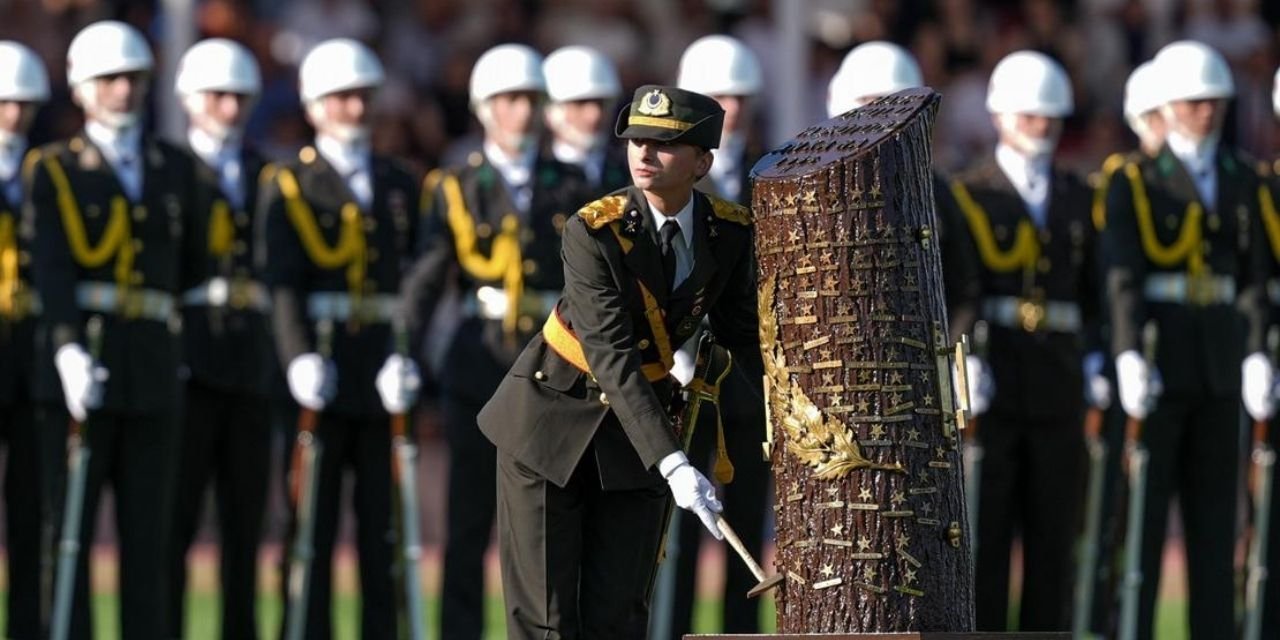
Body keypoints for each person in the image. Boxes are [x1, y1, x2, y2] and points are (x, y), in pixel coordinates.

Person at [478, 84, 762, 639]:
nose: (644, 155)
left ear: (703, 162)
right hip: (551, 424)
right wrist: (673, 462)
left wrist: (796, 410)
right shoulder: (594, 229)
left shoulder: (728, 231)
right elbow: (610, 352)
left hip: (637, 433)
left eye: (664, 144)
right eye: (636, 140)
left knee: (621, 617)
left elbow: (742, 339)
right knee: (547, 621)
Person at [402, 42, 589, 640]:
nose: (522, 111)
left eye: (531, 99)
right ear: (484, 108)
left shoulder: (572, 183)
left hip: (552, 362)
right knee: (467, 522)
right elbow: (429, 276)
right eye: (509, 99)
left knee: (543, 525)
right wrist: (401, 351)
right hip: (478, 359)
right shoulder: (456, 185)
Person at [25, 20, 204, 639]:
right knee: (67, 533)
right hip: (85, 364)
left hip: (152, 365)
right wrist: (68, 349)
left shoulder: (176, 168)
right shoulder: (53, 169)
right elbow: (49, 268)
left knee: (149, 537)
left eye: (130, 79)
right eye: (107, 80)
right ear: (79, 89)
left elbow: (191, 269)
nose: (121, 91)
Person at [1103, 40, 1271, 640]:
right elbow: (1123, 274)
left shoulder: (1241, 177)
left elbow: (1252, 277)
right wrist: (1125, 351)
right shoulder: (1137, 179)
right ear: (1169, 106)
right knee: (1144, 530)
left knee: (1215, 526)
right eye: (1196, 102)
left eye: (1215, 101)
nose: (1208, 112)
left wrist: (1255, 351)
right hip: (1161, 358)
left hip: (1221, 364)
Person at [260, 38, 421, 639]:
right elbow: (279, 282)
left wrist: (407, 355)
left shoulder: (400, 182)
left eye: (360, 96)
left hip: (380, 365)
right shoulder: (289, 182)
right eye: (339, 98)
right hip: (320, 365)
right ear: (313, 106)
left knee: (384, 533)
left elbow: (415, 278)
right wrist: (296, 355)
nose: (352, 108)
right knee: (310, 530)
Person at [944, 50, 1102, 632]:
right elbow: (960, 287)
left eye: (1051, 117)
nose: (1043, 126)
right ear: (1002, 116)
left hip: (1057, 375)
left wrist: (1097, 352)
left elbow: (1093, 289)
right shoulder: (970, 193)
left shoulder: (1079, 193)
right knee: (986, 532)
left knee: (1053, 535)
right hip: (997, 369)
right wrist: (965, 358)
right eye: (1031, 115)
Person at [658, 33, 770, 636]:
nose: (732, 105)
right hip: (677, 371)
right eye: (718, 93)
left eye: (741, 95)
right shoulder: (660, 172)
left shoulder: (771, 175)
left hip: (745, 374)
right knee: (674, 530)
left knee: (746, 525)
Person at [167, 38, 273, 640]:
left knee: (244, 525)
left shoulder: (267, 173)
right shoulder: (171, 168)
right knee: (174, 521)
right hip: (190, 360)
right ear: (189, 100)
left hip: (250, 365)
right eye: (216, 96)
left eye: (237, 96)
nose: (228, 108)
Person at [0, 39, 48, 640]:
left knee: (34, 510)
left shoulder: (48, 175)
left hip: (32, 356)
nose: (12, 115)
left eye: (22, 105)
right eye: (2, 103)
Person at [543, 45, 629, 194]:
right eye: (580, 103)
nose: (594, 115)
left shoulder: (631, 170)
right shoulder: (533, 176)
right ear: (552, 110)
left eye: (601, 103)